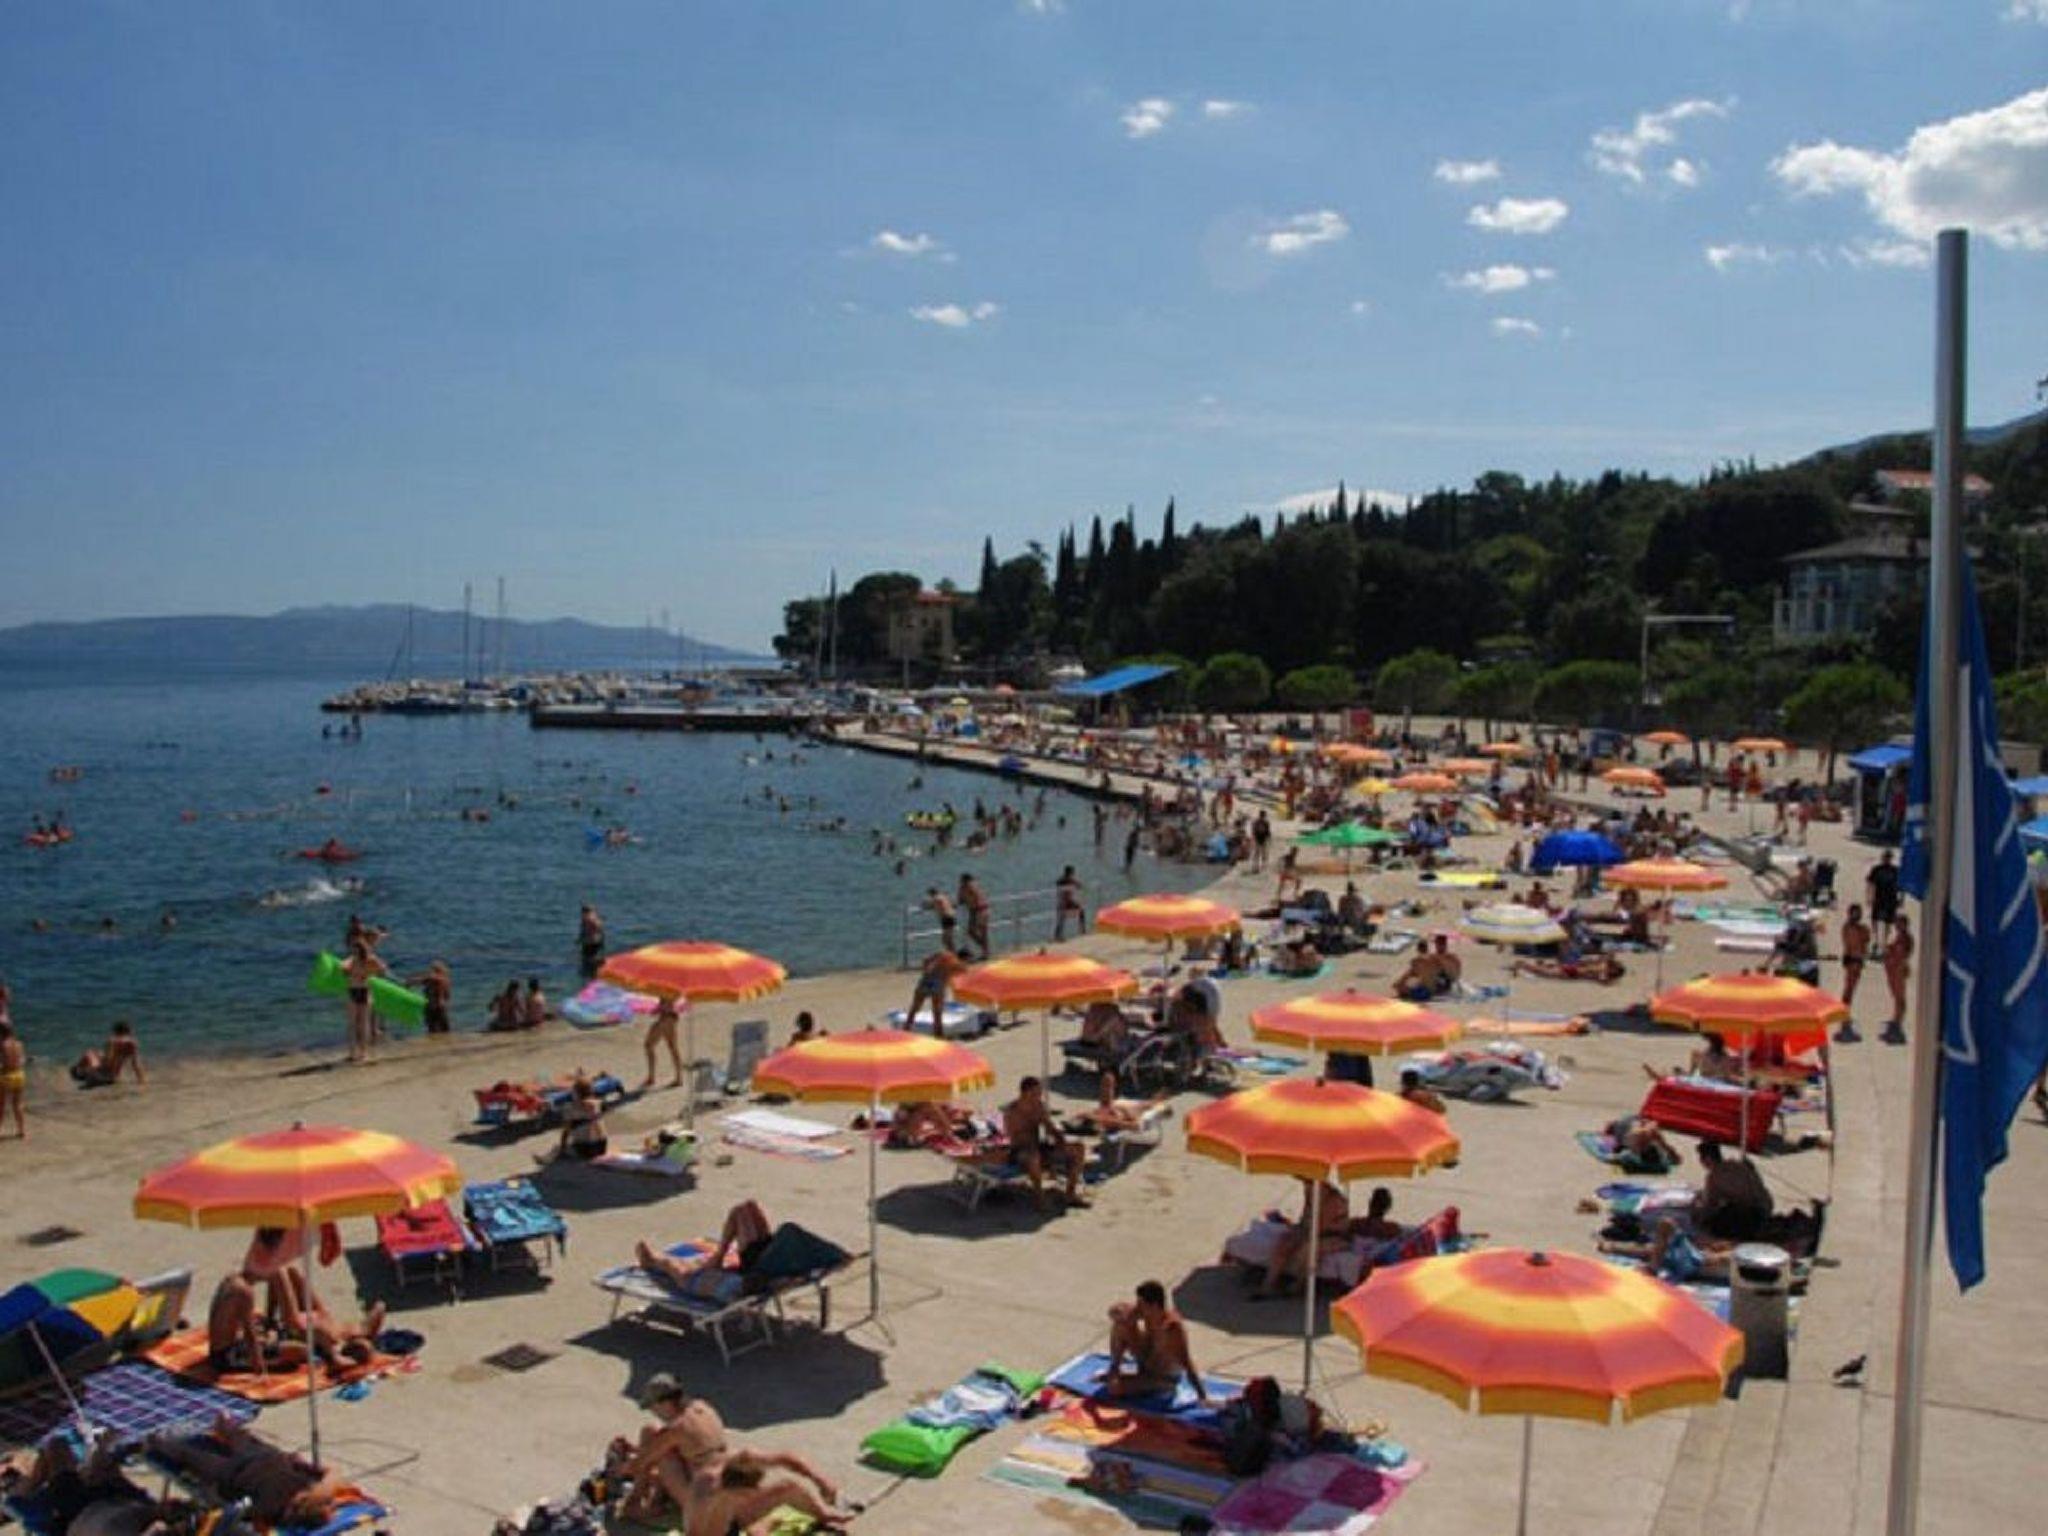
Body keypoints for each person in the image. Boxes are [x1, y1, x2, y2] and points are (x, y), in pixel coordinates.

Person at [150, 1416, 351, 1530]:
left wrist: (211, 1495)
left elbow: (234, 1508)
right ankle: (221, 1426)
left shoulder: (274, 1508)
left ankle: (154, 1440)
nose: (333, 1506)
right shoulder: (311, 1488)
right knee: (224, 1436)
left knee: (187, 1454)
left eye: (329, 1508)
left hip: (235, 1470)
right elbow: (332, 1473)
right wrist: (303, 1465)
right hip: (252, 1461)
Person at [4, 1427, 172, 1536]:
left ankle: (34, 1466)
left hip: (79, 1512)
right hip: (116, 1502)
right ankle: (94, 1455)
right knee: (102, 1465)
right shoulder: (148, 1515)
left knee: (56, 1447)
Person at [634, 1200, 774, 1297]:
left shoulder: (733, 1286)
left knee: (682, 1270)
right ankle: (718, 1256)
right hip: (760, 1266)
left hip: (735, 1281)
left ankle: (651, 1260)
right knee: (746, 1207)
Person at [1103, 1280, 1207, 1402]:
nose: (1138, 1307)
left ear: (1154, 1306)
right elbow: (1114, 1311)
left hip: (1163, 1377)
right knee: (1121, 1325)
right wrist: (1122, 1315)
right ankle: (1114, 1368)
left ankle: (1156, 1385)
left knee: (1115, 1388)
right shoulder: (1145, 1313)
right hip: (1146, 1362)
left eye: (1141, 1304)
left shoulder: (1171, 1327)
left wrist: (1202, 1395)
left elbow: (1186, 1362)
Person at [999, 1076, 1088, 1210]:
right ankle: (1039, 1199)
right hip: (1019, 1151)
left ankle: (1070, 1193)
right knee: (1033, 1156)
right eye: (1035, 1093)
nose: (1038, 1096)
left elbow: (1049, 1128)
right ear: (1024, 1093)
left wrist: (1060, 1139)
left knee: (1078, 1147)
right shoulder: (1012, 1111)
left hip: (1039, 1147)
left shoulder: (1039, 1107)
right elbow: (1015, 1138)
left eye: (1039, 1093)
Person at [1259, 1178, 1350, 1297]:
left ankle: (1299, 1284)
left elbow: (1325, 1226)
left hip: (1335, 1236)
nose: (1307, 1190)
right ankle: (1269, 1283)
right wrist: (1296, 1231)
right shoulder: (1312, 1199)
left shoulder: (1335, 1201)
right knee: (1285, 1241)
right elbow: (1306, 1221)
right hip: (1313, 1231)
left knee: (1310, 1249)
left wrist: (1305, 1232)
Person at [1695, 1140, 1773, 1242]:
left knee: (1712, 1223)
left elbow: (1710, 1205)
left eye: (1702, 1159)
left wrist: (1697, 1213)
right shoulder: (1737, 1164)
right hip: (1765, 1207)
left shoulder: (1715, 1175)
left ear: (1708, 1159)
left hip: (1753, 1215)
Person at [338, 938, 386, 1065]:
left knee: (361, 1024)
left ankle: (360, 1053)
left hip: (362, 991)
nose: (354, 951)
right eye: (353, 949)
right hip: (356, 991)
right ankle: (355, 1053)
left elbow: (382, 968)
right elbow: (343, 967)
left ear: (360, 949)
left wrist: (369, 973)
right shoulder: (354, 960)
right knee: (355, 1024)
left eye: (355, 948)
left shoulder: (367, 959)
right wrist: (361, 972)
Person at [70, 1021, 144, 1088]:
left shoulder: (112, 1040)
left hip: (102, 1075)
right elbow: (135, 1064)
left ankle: (78, 1072)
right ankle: (83, 1074)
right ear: (128, 1031)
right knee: (96, 1053)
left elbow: (108, 1061)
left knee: (89, 1053)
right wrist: (141, 1080)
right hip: (114, 1077)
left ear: (115, 1031)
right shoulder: (132, 1043)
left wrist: (96, 1063)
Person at [908, 949, 964, 1035]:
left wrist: (925, 970)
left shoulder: (945, 954)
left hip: (926, 980)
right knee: (937, 1012)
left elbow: (926, 959)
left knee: (915, 1008)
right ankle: (938, 1034)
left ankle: (906, 1028)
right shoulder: (960, 966)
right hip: (938, 984)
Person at [555, 1076, 608, 1161]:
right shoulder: (599, 1103)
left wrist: (563, 1146)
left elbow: (566, 1131)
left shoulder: (570, 1108)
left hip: (586, 1148)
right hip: (602, 1146)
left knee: (558, 1148)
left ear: (576, 1093)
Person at [1882, 912, 1913, 1045]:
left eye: (1899, 923)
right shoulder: (1900, 937)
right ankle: (1896, 1020)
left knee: (1900, 998)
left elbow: (1901, 954)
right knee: (1897, 997)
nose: (1897, 925)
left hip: (1898, 970)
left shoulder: (1905, 938)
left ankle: (1897, 1023)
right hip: (1894, 970)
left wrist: (1891, 952)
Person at [642, 995, 685, 1089]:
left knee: (649, 1045)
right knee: (672, 1047)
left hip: (666, 1018)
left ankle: (652, 1077)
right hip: (669, 1018)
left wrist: (661, 1008)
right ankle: (678, 1078)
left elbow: (668, 1003)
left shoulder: (667, 991)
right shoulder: (669, 991)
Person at [1867, 849, 1900, 946]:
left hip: (1891, 898)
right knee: (1875, 919)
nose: (1887, 859)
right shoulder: (1877, 869)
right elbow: (1871, 883)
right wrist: (1869, 896)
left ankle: (1885, 941)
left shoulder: (1895, 870)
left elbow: (1900, 886)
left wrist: (1901, 899)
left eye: (1888, 857)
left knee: (1888, 921)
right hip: (1879, 897)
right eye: (1885, 857)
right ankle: (1875, 940)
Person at [2, 1020, 28, 1139]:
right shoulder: (19, 1044)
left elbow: (4, 1062)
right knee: (18, 1104)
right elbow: (22, 1060)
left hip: (7, 1076)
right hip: (19, 1074)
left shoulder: (2, 1045)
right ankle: (21, 1131)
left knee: (1, 1105)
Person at [412, 960, 453, 1035]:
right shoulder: (436, 980)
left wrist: (410, 982)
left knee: (436, 1028)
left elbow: (421, 980)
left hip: (435, 1006)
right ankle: (442, 1040)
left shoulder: (438, 979)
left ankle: (438, 1040)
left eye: (433, 970)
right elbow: (417, 981)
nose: (431, 972)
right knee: (441, 1028)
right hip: (436, 1006)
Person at [959, 873, 992, 960]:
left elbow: (977, 897)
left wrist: (977, 908)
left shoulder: (971, 886)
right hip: (976, 910)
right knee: (976, 931)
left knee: (980, 931)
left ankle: (985, 951)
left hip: (979, 910)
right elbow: (961, 899)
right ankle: (985, 950)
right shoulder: (967, 887)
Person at [1054, 865, 1086, 940]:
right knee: (1063, 917)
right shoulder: (1068, 880)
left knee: (1080, 911)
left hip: (1064, 903)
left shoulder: (1062, 880)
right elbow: (1079, 885)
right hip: (1065, 903)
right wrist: (1074, 883)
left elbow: (1079, 885)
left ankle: (1058, 935)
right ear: (1070, 873)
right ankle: (1082, 930)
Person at [923, 886, 958, 952]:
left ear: (931, 894)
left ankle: (953, 953)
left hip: (946, 918)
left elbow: (927, 906)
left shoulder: (936, 898)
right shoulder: (944, 896)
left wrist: (925, 904)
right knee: (948, 939)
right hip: (951, 917)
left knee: (946, 939)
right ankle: (952, 952)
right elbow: (954, 904)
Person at [578, 904, 606, 977]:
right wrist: (580, 939)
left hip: (595, 944)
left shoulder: (595, 922)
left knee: (594, 961)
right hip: (586, 944)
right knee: (585, 960)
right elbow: (583, 932)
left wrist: (599, 942)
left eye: (588, 913)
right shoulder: (584, 921)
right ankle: (588, 974)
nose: (585, 915)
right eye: (584, 913)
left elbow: (600, 934)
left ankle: (595, 974)